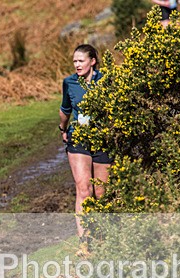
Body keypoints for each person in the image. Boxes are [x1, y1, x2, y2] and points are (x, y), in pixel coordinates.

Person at [59, 44, 110, 240]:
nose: (77, 65)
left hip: (102, 139)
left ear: (92, 61)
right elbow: (65, 110)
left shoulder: (105, 80)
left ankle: (102, 235)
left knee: (100, 191)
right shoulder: (69, 82)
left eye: (81, 61)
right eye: (75, 61)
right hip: (78, 137)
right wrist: (63, 129)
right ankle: (84, 240)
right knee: (83, 188)